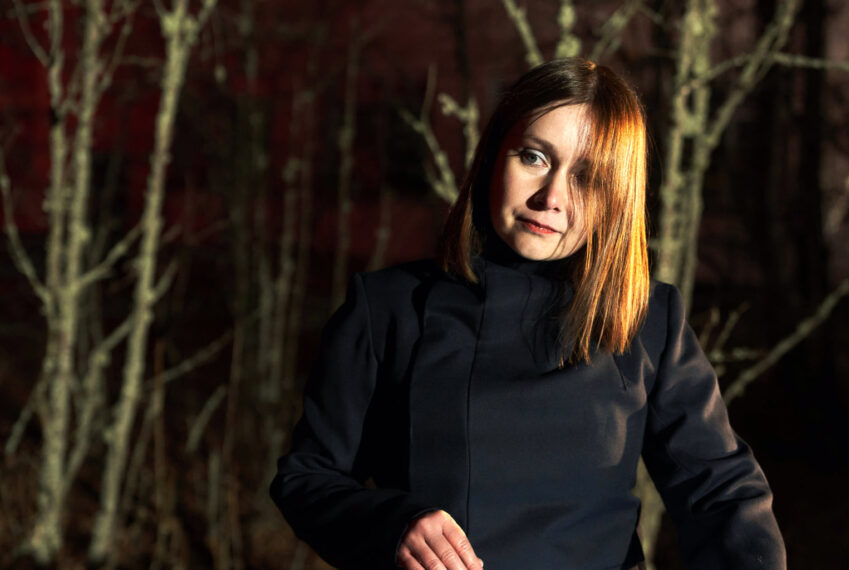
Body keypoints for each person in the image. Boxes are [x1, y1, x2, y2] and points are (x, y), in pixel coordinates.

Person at [270, 58, 785, 570]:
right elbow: (308, 478)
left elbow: (722, 495)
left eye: (586, 176)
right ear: (495, 154)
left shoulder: (645, 321)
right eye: (534, 157)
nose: (551, 197)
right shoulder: (389, 309)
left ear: (616, 198)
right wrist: (392, 526)